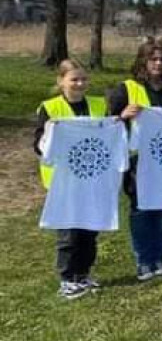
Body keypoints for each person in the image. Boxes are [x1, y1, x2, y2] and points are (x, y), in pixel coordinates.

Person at [108, 39, 162, 281]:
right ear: (143, 61)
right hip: (138, 161)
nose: (159, 64)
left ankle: (159, 258)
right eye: (153, 59)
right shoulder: (126, 89)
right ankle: (144, 260)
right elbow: (107, 125)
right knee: (141, 210)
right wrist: (122, 116)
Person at [34, 59, 110, 299]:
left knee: (89, 228)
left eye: (83, 79)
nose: (80, 84)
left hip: (92, 177)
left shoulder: (99, 105)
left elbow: (109, 136)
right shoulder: (49, 108)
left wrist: (115, 124)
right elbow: (38, 146)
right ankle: (67, 278)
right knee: (69, 231)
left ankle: (84, 274)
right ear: (61, 81)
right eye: (74, 79)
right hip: (63, 181)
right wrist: (50, 133)